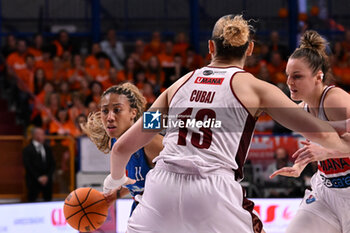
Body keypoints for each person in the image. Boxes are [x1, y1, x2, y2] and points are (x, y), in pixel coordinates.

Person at [103, 15, 350, 233]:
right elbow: (321, 132)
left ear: (210, 46)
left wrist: (113, 183)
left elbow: (121, 148)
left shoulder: (177, 87)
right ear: (250, 49)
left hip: (161, 189)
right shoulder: (256, 89)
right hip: (212, 191)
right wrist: (339, 132)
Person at [270, 30, 350, 233]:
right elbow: (318, 148)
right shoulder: (302, 110)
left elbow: (326, 148)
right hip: (327, 192)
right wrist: (299, 165)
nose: (289, 82)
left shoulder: (334, 100)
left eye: (297, 76)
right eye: (288, 76)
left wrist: (328, 152)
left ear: (318, 76)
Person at [81, 82, 163, 214]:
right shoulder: (113, 142)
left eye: (117, 110)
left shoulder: (150, 142)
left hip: (164, 210)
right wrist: (115, 195)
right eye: (105, 111)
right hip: (141, 208)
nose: (110, 117)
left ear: (132, 113)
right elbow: (137, 181)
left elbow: (183, 177)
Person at [23, 127, 55, 202]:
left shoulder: (48, 148)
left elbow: (52, 164)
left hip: (47, 182)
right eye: (42, 134)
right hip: (33, 181)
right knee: (32, 201)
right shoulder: (27, 150)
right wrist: (38, 177)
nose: (44, 136)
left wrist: (47, 176)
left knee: (48, 200)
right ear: (36, 136)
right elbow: (28, 166)